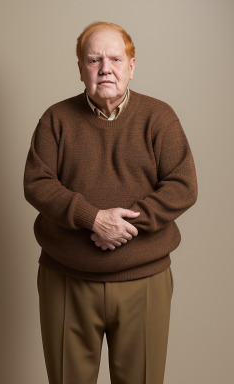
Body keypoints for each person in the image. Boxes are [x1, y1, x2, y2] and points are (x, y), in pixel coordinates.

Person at [23, 21, 198, 384]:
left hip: (144, 281)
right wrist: (93, 218)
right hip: (66, 280)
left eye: (116, 59)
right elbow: (37, 184)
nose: (106, 68)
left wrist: (125, 224)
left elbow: (183, 184)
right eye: (94, 59)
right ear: (80, 68)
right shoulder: (55, 119)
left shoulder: (159, 118)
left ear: (132, 67)